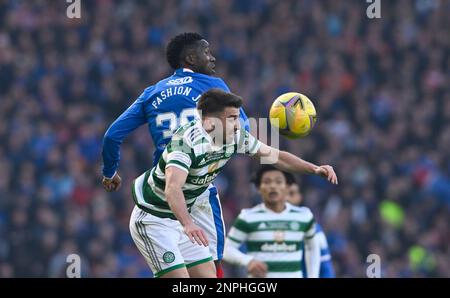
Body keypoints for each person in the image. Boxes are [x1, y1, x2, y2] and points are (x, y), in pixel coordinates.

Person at [128, 88, 338, 277]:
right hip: (154, 218)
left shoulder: (236, 137)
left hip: (182, 218)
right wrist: (188, 224)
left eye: (237, 118)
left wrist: (314, 168)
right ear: (209, 122)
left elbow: (276, 156)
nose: (238, 125)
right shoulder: (186, 143)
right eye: (231, 118)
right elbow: (172, 187)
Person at [101, 33, 250, 276]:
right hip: (199, 191)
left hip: (165, 190)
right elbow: (243, 129)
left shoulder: (152, 93)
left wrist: (109, 173)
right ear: (191, 58)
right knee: (212, 268)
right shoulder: (213, 86)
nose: (212, 58)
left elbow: (112, 136)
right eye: (206, 52)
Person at [223, 166, 320, 277]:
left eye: (278, 182)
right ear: (258, 188)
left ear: (288, 187)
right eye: (267, 182)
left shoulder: (304, 216)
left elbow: (312, 248)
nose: (273, 186)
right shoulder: (248, 217)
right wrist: (247, 261)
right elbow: (226, 250)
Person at [285, 175, 336, 278]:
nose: (286, 198)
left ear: (299, 197)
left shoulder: (313, 230)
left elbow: (326, 270)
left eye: (291, 193)